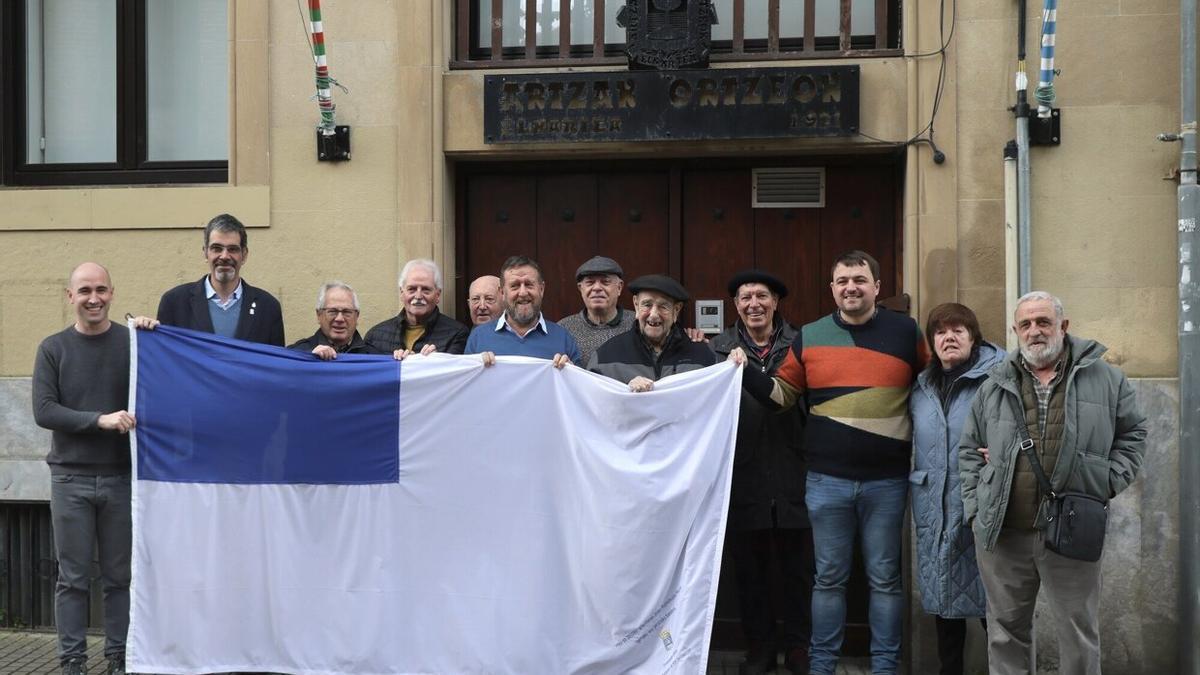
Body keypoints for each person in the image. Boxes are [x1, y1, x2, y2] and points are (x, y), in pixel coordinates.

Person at [729, 250, 928, 675]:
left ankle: (885, 667)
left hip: (887, 482)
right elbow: (782, 398)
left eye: (859, 280)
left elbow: (937, 384)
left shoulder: (907, 332)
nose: (851, 287)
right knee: (829, 581)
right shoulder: (812, 336)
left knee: (885, 581)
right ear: (832, 289)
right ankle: (821, 666)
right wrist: (742, 369)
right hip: (826, 481)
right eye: (842, 281)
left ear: (877, 286)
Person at [958, 292, 1147, 675]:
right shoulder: (994, 383)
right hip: (1004, 533)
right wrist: (977, 509)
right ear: (1015, 331)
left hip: (1074, 528)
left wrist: (1107, 481)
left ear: (1063, 326)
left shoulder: (1106, 378)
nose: (1034, 331)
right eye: (1025, 324)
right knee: (1005, 632)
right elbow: (967, 450)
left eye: (1043, 322)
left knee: (1078, 633)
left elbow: (1134, 433)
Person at [32, 263, 153, 675]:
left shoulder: (132, 344)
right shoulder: (53, 348)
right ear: (70, 297)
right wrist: (99, 419)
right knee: (73, 579)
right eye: (84, 290)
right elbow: (44, 410)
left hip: (121, 477)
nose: (94, 298)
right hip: (70, 478)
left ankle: (118, 657)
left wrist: (154, 332)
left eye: (101, 289)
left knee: (120, 578)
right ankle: (71, 661)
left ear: (112, 293)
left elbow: (160, 378)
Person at [710, 270, 814, 675]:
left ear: (775, 302)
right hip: (741, 476)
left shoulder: (802, 343)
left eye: (761, 296)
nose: (753, 303)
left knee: (799, 571)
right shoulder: (717, 349)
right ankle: (760, 648)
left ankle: (800, 647)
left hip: (796, 472)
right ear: (735, 305)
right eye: (745, 297)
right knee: (750, 573)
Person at [909, 303, 1003, 675]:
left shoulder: (998, 377)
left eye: (957, 331)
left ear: (973, 336)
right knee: (945, 601)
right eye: (941, 332)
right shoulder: (922, 386)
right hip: (935, 508)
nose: (949, 338)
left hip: (981, 506)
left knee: (993, 608)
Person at [156, 213, 285, 345]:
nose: (224, 256)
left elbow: (276, 362)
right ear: (206, 253)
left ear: (244, 255)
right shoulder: (175, 302)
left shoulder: (268, 307)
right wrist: (142, 331)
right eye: (216, 248)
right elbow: (161, 356)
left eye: (232, 249)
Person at [587, 274, 715, 390]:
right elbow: (592, 405)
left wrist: (733, 365)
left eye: (663, 306)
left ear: (676, 310)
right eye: (647, 305)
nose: (653, 315)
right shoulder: (605, 356)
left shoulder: (702, 355)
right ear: (636, 305)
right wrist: (626, 389)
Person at [466, 256, 580, 368]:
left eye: (529, 284)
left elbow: (579, 386)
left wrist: (571, 372)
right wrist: (476, 370)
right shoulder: (478, 338)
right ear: (502, 293)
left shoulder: (562, 338)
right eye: (514, 286)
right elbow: (465, 384)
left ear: (541, 289)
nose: (523, 293)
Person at [365, 259, 470, 358]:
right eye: (412, 289)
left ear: (437, 295)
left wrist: (438, 362)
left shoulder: (457, 334)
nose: (418, 296)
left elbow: (455, 374)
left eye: (426, 289)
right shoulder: (375, 337)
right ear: (402, 293)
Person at [558, 256, 635, 365]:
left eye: (605, 282)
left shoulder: (637, 325)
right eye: (590, 282)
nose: (597, 288)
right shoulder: (564, 329)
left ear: (619, 287)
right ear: (581, 288)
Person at [288, 281, 376, 358]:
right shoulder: (296, 354)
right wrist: (308, 359)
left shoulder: (374, 358)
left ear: (357, 316)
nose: (339, 319)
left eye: (347, 312)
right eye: (332, 311)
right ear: (319, 315)